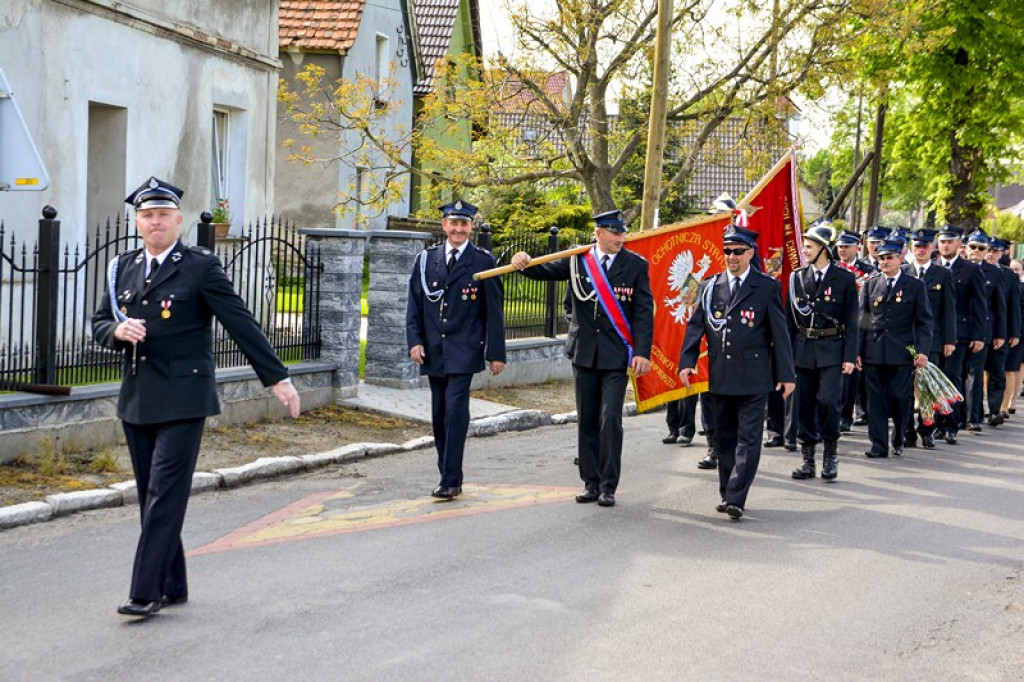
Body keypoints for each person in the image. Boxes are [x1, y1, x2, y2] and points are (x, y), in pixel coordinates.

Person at [91, 177, 301, 618]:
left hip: (185, 396)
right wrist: (116, 331)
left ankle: (145, 591)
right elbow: (98, 323)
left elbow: (240, 322)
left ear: (178, 220)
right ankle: (173, 583)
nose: (155, 223)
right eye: (147, 216)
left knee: (165, 493)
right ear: (137, 222)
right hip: (138, 397)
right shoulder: (122, 268)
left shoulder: (199, 267)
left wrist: (277, 379)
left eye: (163, 215)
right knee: (152, 493)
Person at [511, 209, 653, 507]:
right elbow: (544, 271)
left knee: (611, 418)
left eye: (621, 232)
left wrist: (641, 352)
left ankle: (609, 485)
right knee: (587, 418)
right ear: (598, 233)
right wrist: (521, 262)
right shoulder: (579, 260)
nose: (620, 237)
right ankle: (590, 482)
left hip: (615, 355)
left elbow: (642, 312)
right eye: (614, 232)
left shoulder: (635, 265)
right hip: (585, 353)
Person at [678, 225, 795, 519]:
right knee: (725, 438)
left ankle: (736, 497)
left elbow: (779, 334)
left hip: (755, 376)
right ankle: (726, 492)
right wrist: (687, 360)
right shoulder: (709, 286)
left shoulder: (765, 287)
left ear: (750, 253)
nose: (731, 256)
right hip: (721, 375)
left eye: (738, 251)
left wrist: (787, 375)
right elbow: (696, 327)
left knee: (749, 438)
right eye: (727, 251)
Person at [406, 200, 507, 500]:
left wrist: (496, 353)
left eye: (464, 224)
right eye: (454, 223)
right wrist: (414, 341)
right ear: (444, 226)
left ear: (472, 226)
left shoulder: (483, 261)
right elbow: (414, 305)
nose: (459, 229)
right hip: (434, 349)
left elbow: (494, 311)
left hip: (465, 349)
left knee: (455, 409)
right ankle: (447, 474)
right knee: (439, 413)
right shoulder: (426, 260)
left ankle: (451, 478)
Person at [786, 222, 858, 481]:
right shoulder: (796, 278)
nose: (805, 251)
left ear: (823, 250)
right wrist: (785, 358)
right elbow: (788, 320)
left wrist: (850, 356)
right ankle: (808, 460)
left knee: (829, 401)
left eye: (809, 247)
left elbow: (852, 321)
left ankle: (830, 452)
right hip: (803, 349)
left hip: (832, 349)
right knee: (803, 405)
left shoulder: (845, 279)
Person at [859, 238, 932, 458]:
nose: (884, 262)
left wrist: (922, 350)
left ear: (901, 258)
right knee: (876, 401)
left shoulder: (915, 285)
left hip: (902, 352)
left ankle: (899, 436)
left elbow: (924, 321)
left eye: (889, 257)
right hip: (874, 352)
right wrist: (857, 351)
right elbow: (862, 320)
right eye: (881, 258)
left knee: (900, 398)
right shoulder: (870, 284)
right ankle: (878, 445)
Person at [902, 228, 955, 449]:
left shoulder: (943, 274)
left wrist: (949, 340)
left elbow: (948, 310)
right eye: (917, 246)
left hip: (931, 339)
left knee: (926, 389)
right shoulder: (903, 271)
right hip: (904, 340)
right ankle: (907, 430)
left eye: (924, 246)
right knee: (904, 388)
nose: (920, 250)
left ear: (932, 249)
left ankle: (927, 429)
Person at [933, 225, 986, 444]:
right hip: (934, 332)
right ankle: (935, 423)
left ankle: (951, 424)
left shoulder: (970, 269)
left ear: (958, 244)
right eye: (942, 242)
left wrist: (979, 335)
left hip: (960, 332)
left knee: (952, 378)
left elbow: (979, 304)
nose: (945, 246)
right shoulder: (933, 267)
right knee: (934, 380)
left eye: (950, 242)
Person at [963, 230, 1006, 432]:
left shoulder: (996, 272)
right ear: (966, 247)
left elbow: (999, 305)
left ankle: (973, 417)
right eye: (973, 247)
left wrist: (1000, 333)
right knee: (957, 373)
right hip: (959, 329)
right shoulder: (956, 268)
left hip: (982, 329)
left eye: (981, 248)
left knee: (975, 373)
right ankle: (957, 414)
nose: (977, 252)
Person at [834, 229, 876, 431]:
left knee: (853, 378)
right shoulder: (832, 269)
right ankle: (834, 413)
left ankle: (847, 416)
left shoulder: (868, 272)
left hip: (859, 326)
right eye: (840, 246)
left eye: (846, 246)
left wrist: (864, 329)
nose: (842, 250)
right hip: (834, 326)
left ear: (857, 247)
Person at [983, 238, 1021, 424]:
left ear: (1001, 253)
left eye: (995, 251)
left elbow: (1013, 306)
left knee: (997, 371)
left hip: (1001, 330)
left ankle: (995, 409)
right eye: (988, 250)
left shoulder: (1008, 275)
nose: (990, 254)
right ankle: (976, 410)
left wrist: (1014, 332)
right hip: (979, 330)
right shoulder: (975, 270)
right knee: (976, 373)